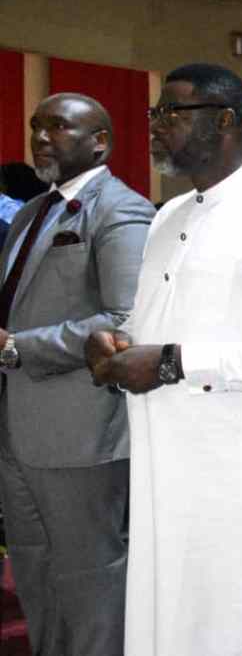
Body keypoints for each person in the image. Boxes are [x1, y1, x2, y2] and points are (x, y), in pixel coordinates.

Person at [85, 63, 242, 656]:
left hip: (236, 474)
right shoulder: (168, 216)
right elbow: (155, 323)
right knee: (166, 616)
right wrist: (116, 343)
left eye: (171, 113)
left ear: (225, 120)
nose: (155, 125)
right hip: (161, 463)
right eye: (154, 113)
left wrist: (172, 363)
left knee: (237, 623)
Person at [0, 93, 153, 656]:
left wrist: (18, 348)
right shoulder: (30, 213)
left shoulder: (122, 210)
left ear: (100, 142)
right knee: (34, 571)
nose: (42, 137)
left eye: (59, 127)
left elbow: (125, 320)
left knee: (89, 577)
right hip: (16, 427)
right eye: (36, 126)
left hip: (81, 433)